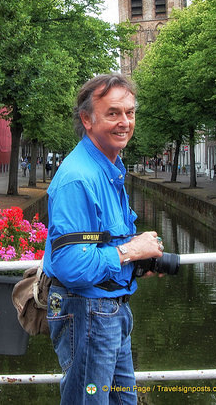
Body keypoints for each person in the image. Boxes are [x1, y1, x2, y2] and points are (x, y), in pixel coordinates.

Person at [43, 73, 164, 404]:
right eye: (113, 113)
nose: (124, 121)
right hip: (88, 315)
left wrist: (136, 260)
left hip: (110, 312)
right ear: (87, 119)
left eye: (130, 112)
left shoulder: (109, 167)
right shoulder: (78, 179)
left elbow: (99, 241)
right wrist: (129, 250)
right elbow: (69, 265)